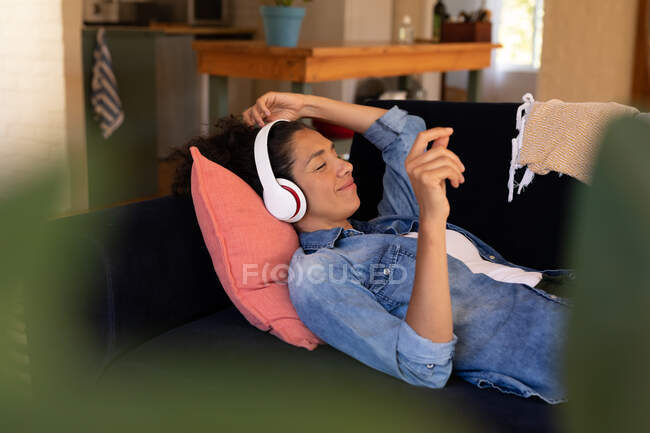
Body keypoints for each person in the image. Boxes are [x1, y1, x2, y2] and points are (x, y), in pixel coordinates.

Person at [170, 92, 570, 404]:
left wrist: (306, 103)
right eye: (320, 165)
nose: (345, 166)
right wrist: (432, 219)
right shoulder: (320, 274)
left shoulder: (386, 225)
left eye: (335, 153)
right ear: (283, 198)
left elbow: (405, 133)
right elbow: (423, 366)